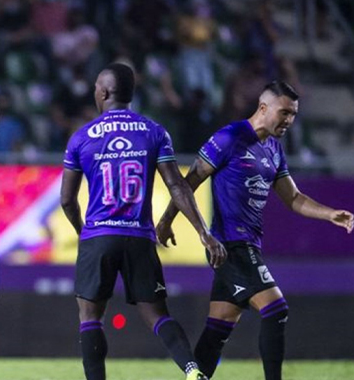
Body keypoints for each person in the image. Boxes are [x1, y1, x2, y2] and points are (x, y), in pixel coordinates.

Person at [156, 81, 354, 380]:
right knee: (276, 310)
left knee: (218, 328)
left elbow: (294, 198)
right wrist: (167, 220)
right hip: (229, 245)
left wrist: (330, 215)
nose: (289, 121)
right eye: (284, 112)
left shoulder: (273, 149)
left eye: (294, 115)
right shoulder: (229, 137)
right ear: (263, 108)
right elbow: (189, 182)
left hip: (248, 244)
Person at [60, 63, 227, 380]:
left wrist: (84, 233)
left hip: (98, 235)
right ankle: (192, 371)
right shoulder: (154, 131)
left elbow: (67, 200)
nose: (95, 92)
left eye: (97, 87)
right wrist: (203, 232)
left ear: (105, 92)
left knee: (90, 316)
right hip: (139, 236)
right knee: (157, 315)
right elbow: (176, 185)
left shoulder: (81, 137)